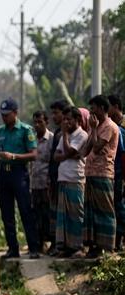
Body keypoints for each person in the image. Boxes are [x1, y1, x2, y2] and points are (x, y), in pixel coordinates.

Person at [0, 98, 40, 259]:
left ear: (15, 113)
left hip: (19, 173)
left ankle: (33, 247)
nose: (4, 117)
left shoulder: (26, 130)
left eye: (7, 114)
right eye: (2, 115)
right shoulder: (0, 131)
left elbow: (33, 154)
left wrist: (13, 156)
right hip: (3, 174)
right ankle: (13, 247)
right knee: (7, 212)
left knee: (25, 210)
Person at [82, 95, 119, 259]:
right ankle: (94, 247)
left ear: (101, 109)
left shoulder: (110, 127)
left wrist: (94, 129)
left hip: (103, 173)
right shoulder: (94, 127)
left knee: (104, 211)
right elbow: (86, 150)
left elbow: (97, 148)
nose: (91, 113)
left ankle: (107, 247)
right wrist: (92, 129)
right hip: (90, 173)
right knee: (91, 211)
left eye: (93, 109)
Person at [54, 106, 88, 258]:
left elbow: (68, 151)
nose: (66, 122)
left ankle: (79, 247)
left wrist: (66, 137)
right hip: (63, 177)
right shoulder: (63, 137)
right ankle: (67, 247)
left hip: (76, 177)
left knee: (76, 214)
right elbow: (57, 156)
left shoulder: (82, 135)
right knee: (65, 215)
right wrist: (68, 154)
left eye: (69, 119)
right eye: (64, 119)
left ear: (78, 120)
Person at [47, 99, 71, 256]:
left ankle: (63, 245)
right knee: (54, 212)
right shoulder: (56, 133)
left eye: (56, 113)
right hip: (55, 177)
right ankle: (55, 243)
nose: (53, 116)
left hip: (65, 177)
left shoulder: (67, 134)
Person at [30, 110, 53, 253]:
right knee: (36, 214)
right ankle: (39, 243)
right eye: (35, 122)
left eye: (40, 122)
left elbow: (52, 162)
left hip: (46, 183)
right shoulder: (32, 139)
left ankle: (52, 242)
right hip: (34, 183)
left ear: (46, 122)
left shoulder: (51, 139)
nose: (37, 125)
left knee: (48, 213)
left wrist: (50, 181)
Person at [107, 94, 125, 251]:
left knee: (120, 206)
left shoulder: (121, 127)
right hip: (115, 172)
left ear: (116, 107)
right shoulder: (112, 126)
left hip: (121, 172)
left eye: (108, 106)